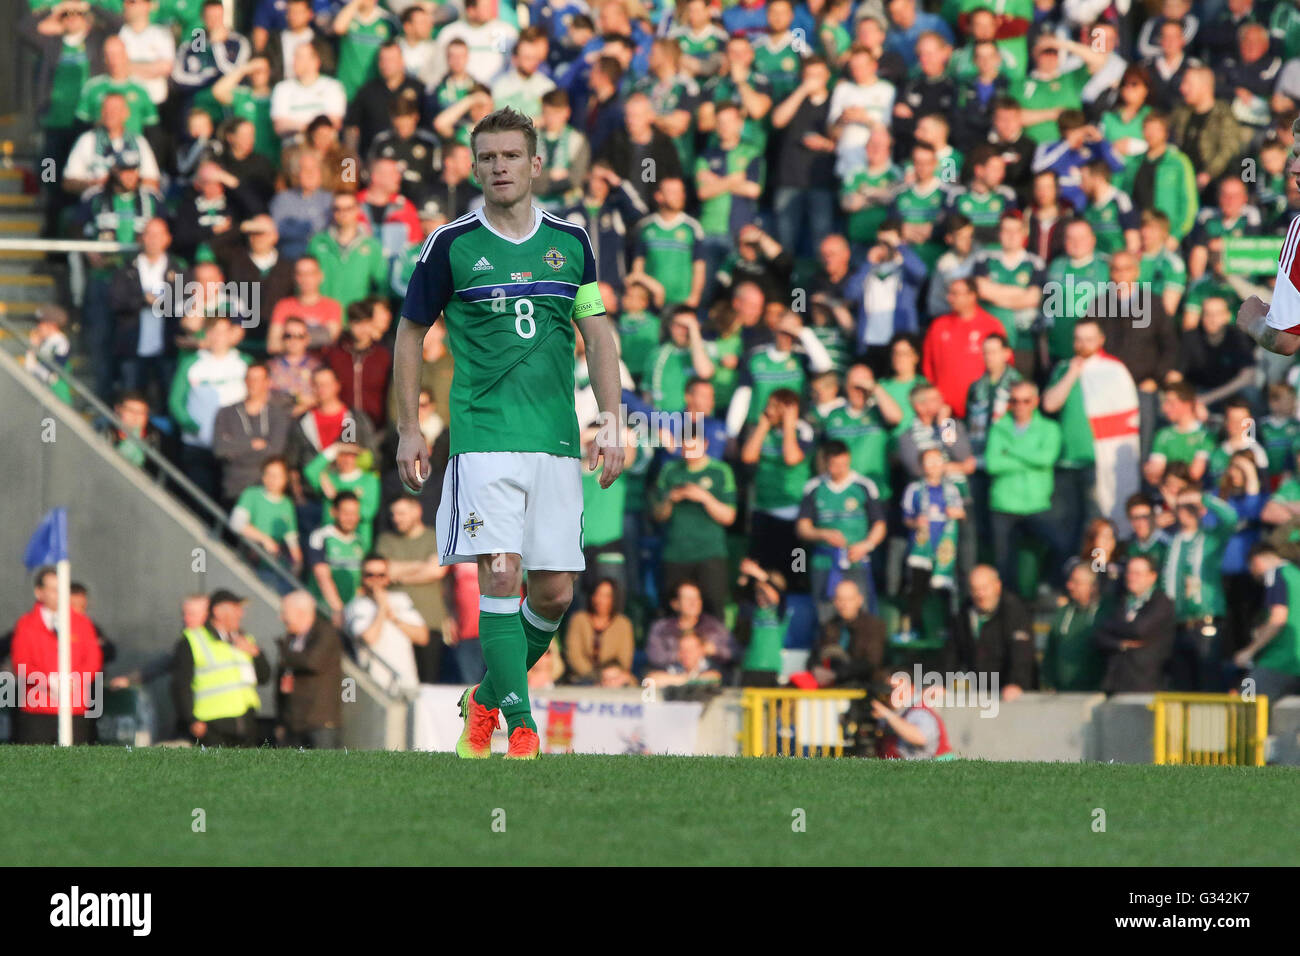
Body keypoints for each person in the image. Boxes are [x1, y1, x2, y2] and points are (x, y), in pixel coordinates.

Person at [393, 107, 624, 760]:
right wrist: (410, 428)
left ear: (535, 164)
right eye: (487, 156)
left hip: (555, 439)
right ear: (474, 165)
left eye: (510, 156)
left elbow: (598, 332)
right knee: (500, 571)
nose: (498, 166)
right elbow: (411, 332)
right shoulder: (450, 244)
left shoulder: (571, 242)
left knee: (554, 591)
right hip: (482, 435)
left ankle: (485, 698)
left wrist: (611, 417)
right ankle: (520, 726)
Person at [9, 566, 105, 744]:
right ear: (39, 592)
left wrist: (73, 681)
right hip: (37, 711)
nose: (59, 594)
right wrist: (48, 682)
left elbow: (92, 661)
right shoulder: (26, 625)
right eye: (53, 589)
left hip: (74, 709)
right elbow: (21, 663)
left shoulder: (82, 623)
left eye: (62, 588)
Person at [171, 589, 269, 746]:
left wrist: (256, 654)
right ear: (217, 612)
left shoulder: (245, 639)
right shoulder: (194, 640)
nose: (241, 614)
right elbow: (181, 684)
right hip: (212, 726)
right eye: (236, 609)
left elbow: (264, 677)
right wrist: (192, 720)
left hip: (245, 723)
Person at [376, 495, 451, 684]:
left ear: (417, 511)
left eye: (401, 513)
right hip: (396, 625)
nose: (396, 518)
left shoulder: (436, 537)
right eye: (393, 514)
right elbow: (384, 570)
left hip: (429, 623)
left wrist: (398, 575)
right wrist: (421, 564)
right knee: (397, 682)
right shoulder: (386, 540)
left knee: (428, 683)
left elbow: (436, 570)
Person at [344, 554, 426, 697]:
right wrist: (382, 609)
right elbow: (369, 639)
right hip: (376, 687)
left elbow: (422, 637)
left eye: (381, 575)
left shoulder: (401, 599)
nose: (376, 580)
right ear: (362, 578)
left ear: (387, 578)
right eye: (370, 575)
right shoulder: (355, 606)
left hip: (406, 682)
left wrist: (395, 619)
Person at [950, 565, 1036, 700]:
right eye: (975, 589)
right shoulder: (965, 612)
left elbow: (1022, 653)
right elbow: (952, 651)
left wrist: (1016, 683)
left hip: (1011, 695)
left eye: (984, 588)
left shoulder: (1015, 611)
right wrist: (941, 683)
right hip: (980, 693)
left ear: (997, 586)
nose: (980, 595)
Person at [1095, 554, 1176, 693]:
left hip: (1146, 684)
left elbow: (1139, 630)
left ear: (1152, 576)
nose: (1131, 577)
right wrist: (1121, 644)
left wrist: (1113, 629)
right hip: (1116, 683)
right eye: (1129, 572)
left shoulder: (1161, 603)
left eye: (1137, 573)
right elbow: (1099, 635)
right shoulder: (1120, 602)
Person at [1234, 544, 1300, 711]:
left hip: (1279, 660)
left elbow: (1278, 619)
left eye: (1251, 567)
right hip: (1294, 661)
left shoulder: (1275, 574)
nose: (1252, 573)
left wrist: (1250, 650)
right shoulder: (1295, 574)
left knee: (1246, 704)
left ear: (1256, 561)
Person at [276, 590, 344, 748]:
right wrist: (281, 720)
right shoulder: (291, 639)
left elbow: (312, 662)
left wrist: (286, 654)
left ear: (300, 612)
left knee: (323, 770)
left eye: (284, 613)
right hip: (293, 722)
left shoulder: (325, 633)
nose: (281, 618)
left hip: (320, 722)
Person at [645, 580, 737, 674]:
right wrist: (682, 655)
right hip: (672, 679)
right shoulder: (662, 629)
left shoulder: (715, 627)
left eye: (697, 598)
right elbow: (654, 656)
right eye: (687, 599)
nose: (694, 603)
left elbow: (736, 653)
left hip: (707, 678)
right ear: (675, 604)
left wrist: (714, 651)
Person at [1042, 564, 1106, 691]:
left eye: (1076, 582)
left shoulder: (1106, 613)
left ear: (1092, 587)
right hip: (1063, 694)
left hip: (1096, 695)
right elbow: (1050, 652)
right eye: (1070, 581)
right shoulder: (1062, 613)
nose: (1070, 586)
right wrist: (1048, 682)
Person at [563, 578, 635, 682]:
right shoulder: (578, 619)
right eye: (597, 594)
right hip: (582, 678)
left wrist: (610, 674)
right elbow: (574, 655)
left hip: (614, 677)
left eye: (606, 596)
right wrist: (596, 676)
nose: (600, 600)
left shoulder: (623, 624)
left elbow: (625, 660)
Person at [874, 668, 953, 760]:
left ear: (912, 688)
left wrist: (888, 715)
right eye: (888, 688)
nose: (891, 694)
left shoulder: (919, 711)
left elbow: (920, 737)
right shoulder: (894, 713)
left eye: (896, 689)